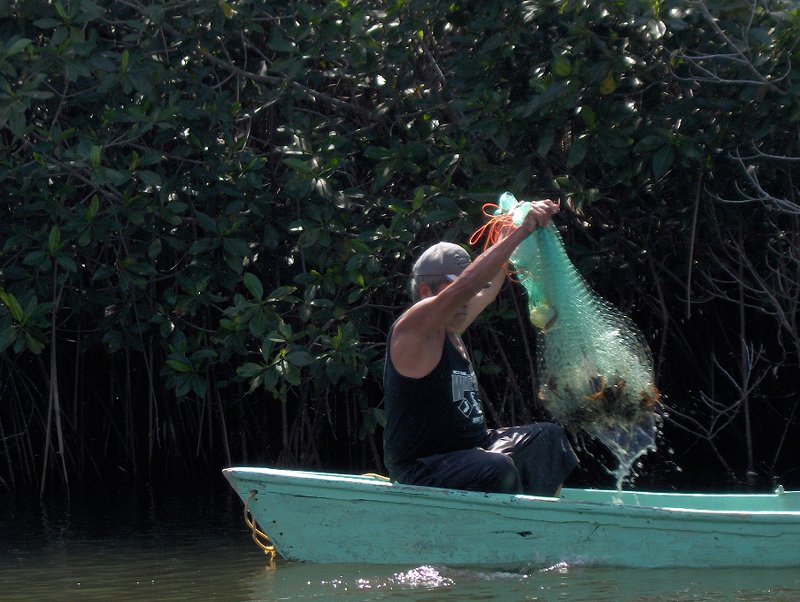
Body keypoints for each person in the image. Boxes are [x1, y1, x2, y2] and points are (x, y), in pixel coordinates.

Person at [382, 199, 578, 496]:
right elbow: (471, 284)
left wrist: (514, 224)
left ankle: (536, 531)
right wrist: (519, 232)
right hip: (422, 469)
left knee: (548, 440)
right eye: (454, 288)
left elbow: (487, 285)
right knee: (496, 468)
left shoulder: (452, 326)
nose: (464, 301)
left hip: (471, 451)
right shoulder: (415, 329)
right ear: (425, 292)